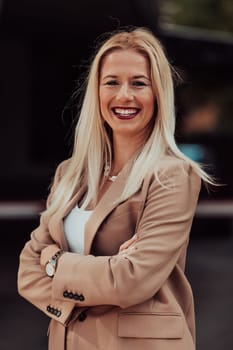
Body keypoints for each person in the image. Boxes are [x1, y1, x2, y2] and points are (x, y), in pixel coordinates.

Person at [18, 27, 212, 350]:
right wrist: (105, 274)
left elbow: (132, 281)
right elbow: (26, 270)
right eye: (112, 82)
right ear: (96, 92)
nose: (124, 96)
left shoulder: (173, 175)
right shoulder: (70, 174)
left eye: (139, 83)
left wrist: (55, 263)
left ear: (158, 94)